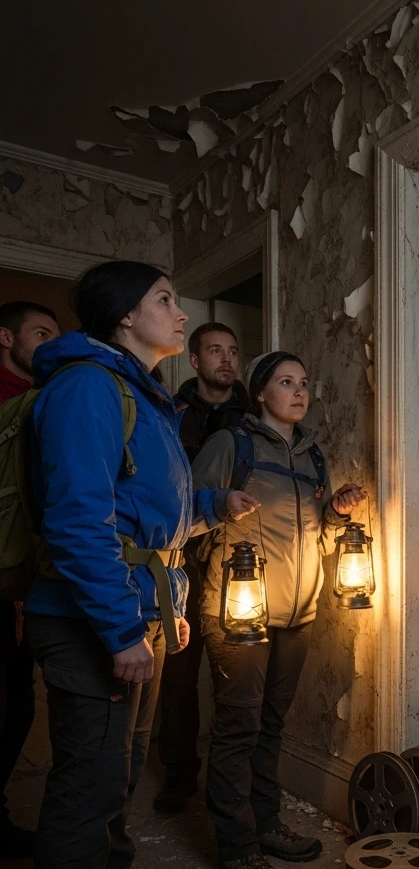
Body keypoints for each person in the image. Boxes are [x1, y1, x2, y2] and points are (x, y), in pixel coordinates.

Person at [24, 261, 258, 869]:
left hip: (140, 615)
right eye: (165, 300)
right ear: (124, 317)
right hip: (97, 622)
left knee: (117, 778)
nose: (181, 313)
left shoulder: (141, 397)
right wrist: (123, 628)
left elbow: (149, 520)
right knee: (85, 791)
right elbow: (77, 522)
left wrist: (214, 505)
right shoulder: (89, 388)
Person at [192, 351, 365, 869]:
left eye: (304, 382)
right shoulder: (232, 445)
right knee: (237, 728)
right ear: (261, 393)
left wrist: (335, 513)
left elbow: (316, 534)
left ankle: (266, 824)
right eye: (285, 382)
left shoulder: (313, 455)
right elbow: (185, 514)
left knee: (271, 724)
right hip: (239, 615)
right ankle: (238, 846)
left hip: (299, 612)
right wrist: (219, 503)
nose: (299, 391)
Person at [154, 322, 249, 814]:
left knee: (237, 672)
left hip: (238, 567)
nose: (226, 360)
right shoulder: (169, 412)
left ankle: (234, 776)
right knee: (177, 676)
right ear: (195, 359)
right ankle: (178, 773)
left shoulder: (252, 416)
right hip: (181, 563)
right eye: (215, 351)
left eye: (233, 351)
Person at [0, 301, 61, 869]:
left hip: (21, 581)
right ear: (5, 336)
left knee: (16, 707)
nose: (50, 346)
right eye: (40, 334)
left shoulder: (48, 399)